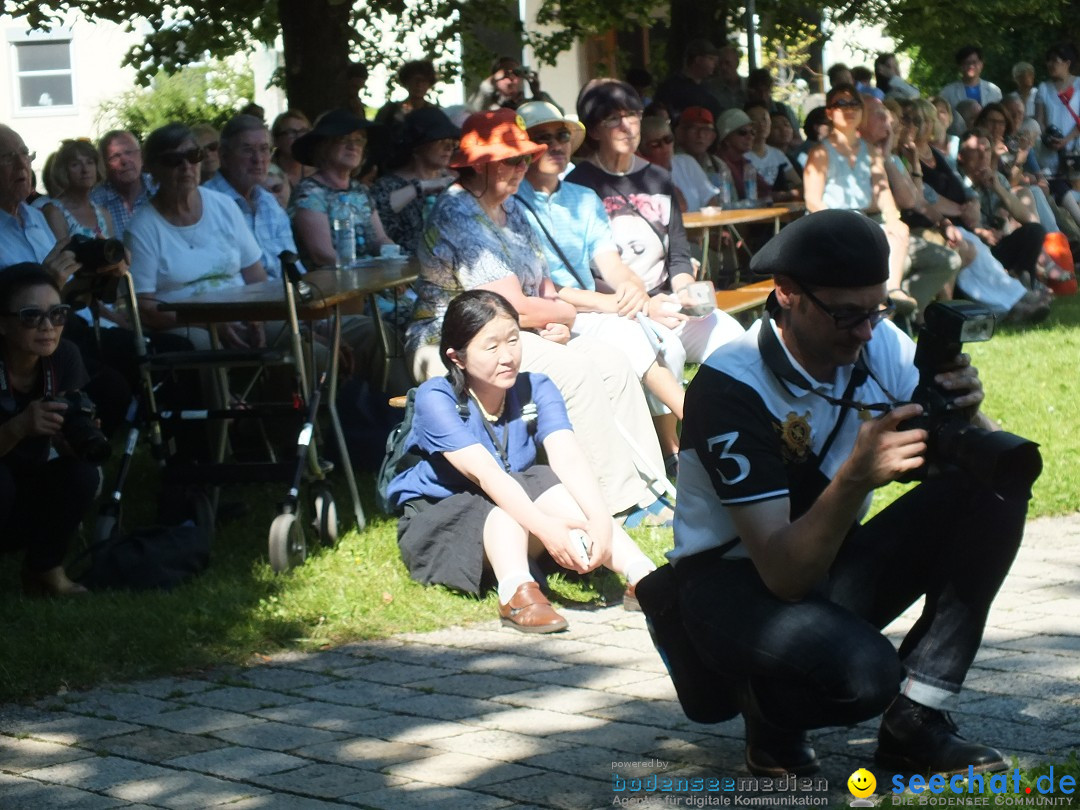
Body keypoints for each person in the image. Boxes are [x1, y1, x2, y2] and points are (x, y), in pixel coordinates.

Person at [658, 208, 1032, 776]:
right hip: (732, 582)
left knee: (992, 491)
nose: (866, 331)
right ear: (786, 295)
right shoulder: (731, 386)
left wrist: (968, 414)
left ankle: (917, 721)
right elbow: (783, 574)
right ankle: (770, 709)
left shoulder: (875, 340)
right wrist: (858, 473)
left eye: (877, 310)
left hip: (825, 555)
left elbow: (979, 459)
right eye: (846, 314)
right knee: (865, 676)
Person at [408, 108, 673, 525]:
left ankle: (649, 487)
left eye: (524, 159)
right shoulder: (459, 212)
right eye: (511, 160)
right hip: (456, 342)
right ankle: (612, 503)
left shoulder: (511, 210)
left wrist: (557, 318)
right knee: (574, 370)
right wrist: (562, 315)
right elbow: (515, 305)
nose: (521, 169)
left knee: (613, 362)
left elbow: (543, 287)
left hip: (512, 332)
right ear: (480, 164)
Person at [387, 290, 657, 630]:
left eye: (513, 340)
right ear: (457, 357)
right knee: (503, 506)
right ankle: (516, 591)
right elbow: (485, 474)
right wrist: (547, 529)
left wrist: (601, 520)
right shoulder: (435, 398)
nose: (508, 356)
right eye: (491, 346)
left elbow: (568, 457)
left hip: (514, 503)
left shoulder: (537, 387)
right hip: (445, 517)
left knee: (544, 480)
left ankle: (642, 575)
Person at [516, 100, 687, 466]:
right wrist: (613, 303)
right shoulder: (513, 202)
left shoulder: (582, 197)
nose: (556, 144)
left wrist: (631, 287)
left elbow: (611, 263)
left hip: (588, 310)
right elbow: (543, 289)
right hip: (548, 315)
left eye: (562, 135)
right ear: (523, 146)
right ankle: (704, 430)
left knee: (669, 346)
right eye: (541, 137)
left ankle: (669, 446)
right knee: (634, 338)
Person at [566, 80, 745, 372]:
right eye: (613, 118)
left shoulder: (659, 178)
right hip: (615, 309)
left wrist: (687, 290)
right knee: (666, 352)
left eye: (633, 115)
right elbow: (579, 270)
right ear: (594, 129)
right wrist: (645, 306)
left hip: (666, 300)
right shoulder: (578, 185)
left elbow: (677, 254)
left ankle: (724, 413)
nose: (627, 126)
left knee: (733, 339)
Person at [0, 264, 100, 596]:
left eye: (57, 314)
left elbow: (65, 444)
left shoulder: (64, 357)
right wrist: (18, 428)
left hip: (26, 484)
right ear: (2, 322)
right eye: (31, 316)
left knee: (81, 474)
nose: (47, 327)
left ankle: (44, 569)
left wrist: (75, 436)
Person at [126, 123, 268, 350]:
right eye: (173, 160)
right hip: (188, 324)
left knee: (301, 344)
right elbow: (145, 308)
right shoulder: (143, 228)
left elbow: (256, 277)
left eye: (194, 156)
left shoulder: (224, 206)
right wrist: (211, 324)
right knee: (205, 345)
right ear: (152, 168)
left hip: (243, 313)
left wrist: (257, 317)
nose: (186, 166)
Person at [803, 84, 912, 313]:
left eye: (854, 103)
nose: (849, 108)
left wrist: (893, 218)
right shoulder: (820, 152)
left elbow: (882, 190)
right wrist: (837, 225)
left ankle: (890, 295)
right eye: (841, 104)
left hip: (862, 221)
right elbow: (813, 201)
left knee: (899, 231)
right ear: (830, 112)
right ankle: (880, 305)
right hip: (830, 223)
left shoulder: (871, 151)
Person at [204, 115, 301, 282]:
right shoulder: (206, 204)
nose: (258, 160)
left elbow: (294, 267)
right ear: (224, 156)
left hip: (285, 297)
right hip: (244, 301)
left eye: (264, 149)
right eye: (247, 150)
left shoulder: (268, 202)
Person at [372, 107, 459, 255]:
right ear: (417, 146)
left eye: (452, 141)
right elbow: (379, 212)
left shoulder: (453, 181)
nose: (449, 147)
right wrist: (421, 186)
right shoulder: (387, 185)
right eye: (441, 140)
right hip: (403, 272)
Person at [41, 139, 119, 243]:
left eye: (90, 162)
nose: (85, 170)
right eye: (75, 164)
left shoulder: (104, 215)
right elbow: (61, 255)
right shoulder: (55, 212)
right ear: (64, 171)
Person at [91, 130, 158, 237]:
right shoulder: (95, 202)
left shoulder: (161, 190)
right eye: (115, 157)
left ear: (141, 156)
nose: (124, 161)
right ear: (104, 165)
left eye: (129, 152)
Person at [1034, 43, 1080, 179]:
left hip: (1075, 149)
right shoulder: (1043, 88)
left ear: (1067, 63)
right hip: (1049, 151)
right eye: (1049, 60)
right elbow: (1039, 120)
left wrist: (1066, 140)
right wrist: (1048, 139)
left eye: (1055, 60)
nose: (1050, 64)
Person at [653, 39, 724, 120]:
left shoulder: (709, 88)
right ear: (698, 59)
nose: (714, 64)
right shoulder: (670, 87)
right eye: (711, 59)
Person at [744, 102, 802, 201]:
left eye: (764, 119)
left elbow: (798, 184)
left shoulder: (777, 154)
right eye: (754, 120)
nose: (761, 124)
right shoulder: (742, 156)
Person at [468, 56, 555, 112]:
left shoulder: (531, 104)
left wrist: (538, 94)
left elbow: (557, 115)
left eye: (516, 73)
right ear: (495, 81)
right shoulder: (489, 106)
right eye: (505, 75)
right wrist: (493, 79)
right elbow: (472, 111)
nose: (511, 78)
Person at [939, 46, 1002, 118]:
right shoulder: (947, 92)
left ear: (981, 64)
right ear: (960, 66)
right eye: (966, 63)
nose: (971, 66)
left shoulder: (994, 91)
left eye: (974, 62)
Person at [270, 110, 313, 188]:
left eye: (303, 131)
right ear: (276, 140)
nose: (300, 137)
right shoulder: (265, 173)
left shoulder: (317, 172)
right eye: (291, 132)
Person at [704, 45, 746, 112]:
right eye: (720, 64)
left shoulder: (748, 85)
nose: (723, 67)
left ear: (737, 63)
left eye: (727, 63)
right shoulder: (710, 88)